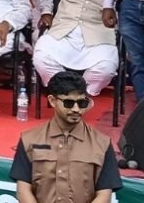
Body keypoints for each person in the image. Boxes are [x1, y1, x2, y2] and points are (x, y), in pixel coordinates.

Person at [10, 71, 122, 203]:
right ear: (52, 101)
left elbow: (104, 195)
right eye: (69, 103)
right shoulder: (29, 140)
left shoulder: (102, 143)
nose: (76, 109)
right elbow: (23, 190)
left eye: (81, 103)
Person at [34, 0, 119, 97]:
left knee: (106, 68)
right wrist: (46, 11)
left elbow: (120, 9)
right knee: (41, 57)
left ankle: (81, 95)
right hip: (64, 30)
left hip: (98, 35)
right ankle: (65, 93)